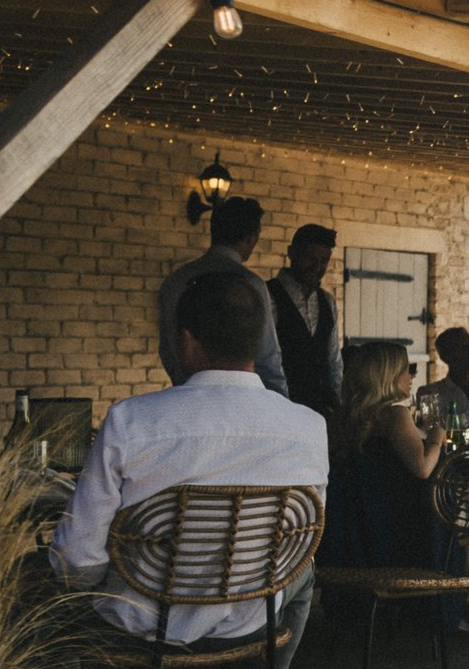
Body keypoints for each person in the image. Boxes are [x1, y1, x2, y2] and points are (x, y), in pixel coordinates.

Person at [54, 271, 328, 669]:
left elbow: (77, 557)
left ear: (185, 340)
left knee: (40, 587)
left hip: (140, 619)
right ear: (260, 341)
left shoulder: (130, 421)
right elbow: (297, 545)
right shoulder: (309, 427)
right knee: (305, 578)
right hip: (251, 619)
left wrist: (105, 585)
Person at [321, 342, 447, 573]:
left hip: (355, 534)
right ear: (388, 375)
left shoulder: (340, 419)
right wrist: (437, 437)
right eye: (405, 369)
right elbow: (422, 468)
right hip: (401, 532)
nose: (410, 376)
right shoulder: (394, 414)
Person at [158, 195, 287, 396]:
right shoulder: (250, 284)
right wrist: (279, 401)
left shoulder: (175, 281)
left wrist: (182, 385)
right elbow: (268, 355)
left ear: (213, 230)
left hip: (186, 394)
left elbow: (168, 348)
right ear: (252, 237)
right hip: (243, 400)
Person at [269, 223, 341, 418]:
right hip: (280, 410)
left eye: (324, 260)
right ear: (291, 253)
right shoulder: (268, 295)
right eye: (310, 258)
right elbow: (267, 361)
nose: (317, 267)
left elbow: (333, 359)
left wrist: (339, 407)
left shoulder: (327, 301)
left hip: (321, 411)